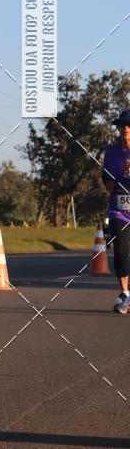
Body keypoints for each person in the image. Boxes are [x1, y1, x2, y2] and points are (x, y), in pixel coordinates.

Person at [102, 110, 130, 313]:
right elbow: (107, 180)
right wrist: (117, 181)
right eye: (122, 125)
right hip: (119, 209)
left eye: (129, 125)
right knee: (120, 252)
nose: (126, 129)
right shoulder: (111, 152)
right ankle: (125, 295)